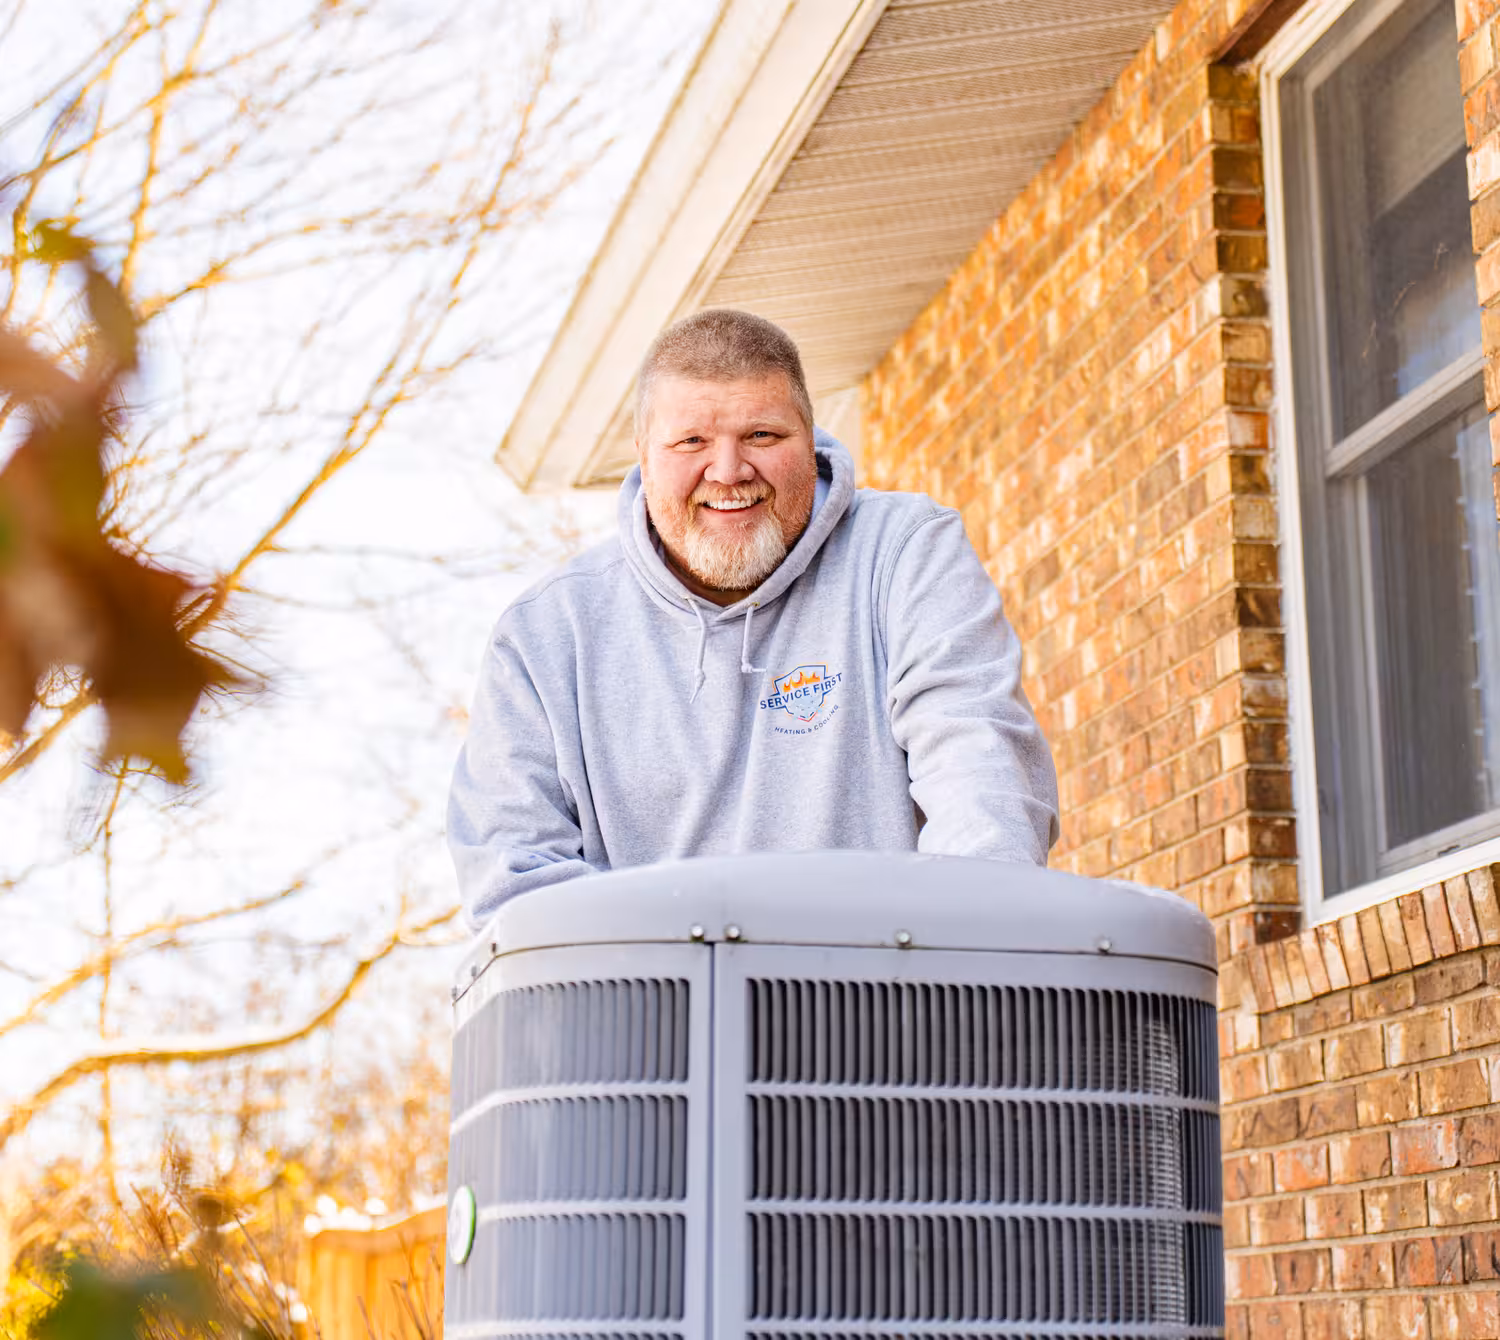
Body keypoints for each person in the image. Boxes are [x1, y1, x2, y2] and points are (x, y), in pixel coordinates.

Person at [448, 308, 1059, 930]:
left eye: (763, 436)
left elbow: (979, 771)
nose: (730, 470)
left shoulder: (904, 554)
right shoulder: (545, 637)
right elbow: (515, 875)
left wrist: (982, 940)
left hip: (891, 1005)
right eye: (692, 441)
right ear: (643, 454)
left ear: (810, 435)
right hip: (659, 1015)